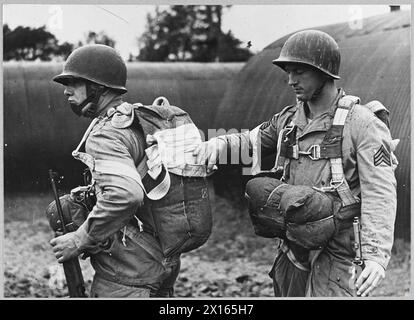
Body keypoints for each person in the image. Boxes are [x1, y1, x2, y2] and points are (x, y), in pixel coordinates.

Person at [194, 29, 397, 297]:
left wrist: (375, 256)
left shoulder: (362, 125)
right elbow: (251, 141)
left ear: (325, 72)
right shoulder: (288, 121)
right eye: (288, 71)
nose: (291, 80)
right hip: (293, 247)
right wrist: (216, 145)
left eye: (300, 71)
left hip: (338, 253)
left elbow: (380, 192)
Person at [49, 44, 180, 298]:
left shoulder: (106, 135)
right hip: (161, 259)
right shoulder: (139, 123)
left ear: (97, 88)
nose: (66, 91)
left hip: (128, 276)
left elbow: (126, 195)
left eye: (74, 83)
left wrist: (79, 239)